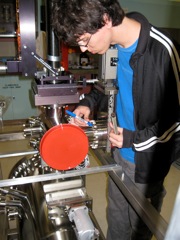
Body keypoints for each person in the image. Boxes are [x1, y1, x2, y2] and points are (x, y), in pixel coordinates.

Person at [52, 0, 180, 239]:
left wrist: (133, 139)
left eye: (84, 40)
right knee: (117, 220)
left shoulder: (164, 51)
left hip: (147, 163)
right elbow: (107, 87)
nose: (82, 49)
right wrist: (88, 104)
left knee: (139, 229)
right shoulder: (111, 46)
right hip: (119, 154)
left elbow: (176, 123)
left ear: (105, 20)